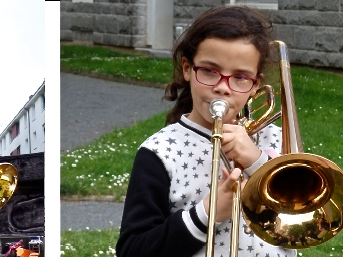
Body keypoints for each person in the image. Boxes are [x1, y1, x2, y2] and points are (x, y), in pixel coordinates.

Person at [114, 6, 287, 257]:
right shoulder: (159, 153)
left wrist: (257, 162)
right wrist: (207, 212)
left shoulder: (275, 139)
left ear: (255, 85)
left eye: (240, 77)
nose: (223, 88)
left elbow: (304, 220)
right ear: (187, 69)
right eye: (209, 71)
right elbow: (133, 250)